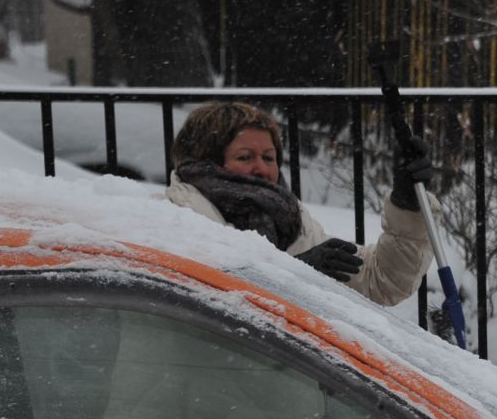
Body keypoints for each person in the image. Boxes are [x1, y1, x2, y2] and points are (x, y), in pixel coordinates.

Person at [165, 101, 437, 308]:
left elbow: (378, 280)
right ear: (204, 161)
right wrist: (292, 274)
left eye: (269, 158)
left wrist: (407, 204)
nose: (261, 169)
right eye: (245, 157)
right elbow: (207, 306)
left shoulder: (287, 218)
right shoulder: (175, 216)